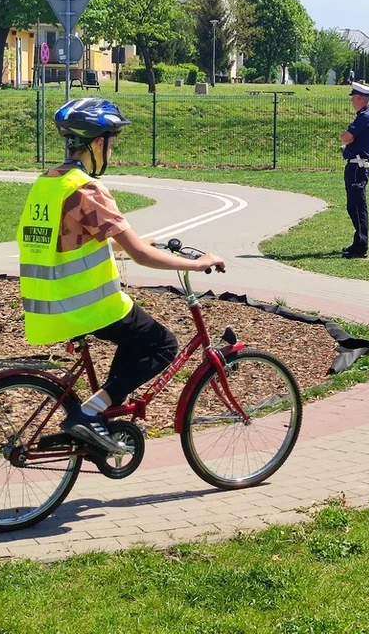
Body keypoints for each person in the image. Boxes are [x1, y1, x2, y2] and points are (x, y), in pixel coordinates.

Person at [16, 97, 225, 455]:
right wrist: (197, 262)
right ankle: (89, 414)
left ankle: (98, 417)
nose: (112, 152)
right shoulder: (87, 189)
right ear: (97, 144)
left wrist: (137, 243)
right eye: (111, 144)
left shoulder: (48, 184)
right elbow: (141, 257)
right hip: (87, 305)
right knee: (162, 345)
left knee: (135, 341)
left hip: (47, 304)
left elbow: (72, 244)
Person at [340, 82, 369, 258]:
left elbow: (347, 137)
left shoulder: (364, 117)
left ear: (361, 98)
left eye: (354, 97)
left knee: (357, 206)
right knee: (354, 206)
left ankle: (361, 246)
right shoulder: (364, 115)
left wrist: (346, 140)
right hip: (356, 165)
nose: (352, 100)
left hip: (358, 166)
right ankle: (358, 242)